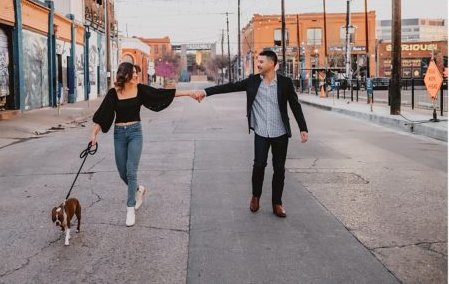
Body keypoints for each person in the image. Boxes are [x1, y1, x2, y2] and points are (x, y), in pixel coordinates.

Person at [189, 50, 309, 218]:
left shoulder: (285, 82)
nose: (258, 64)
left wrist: (303, 128)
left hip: (280, 132)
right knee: (259, 165)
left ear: (272, 64)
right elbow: (229, 87)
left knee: (279, 169)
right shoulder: (253, 81)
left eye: (261, 61)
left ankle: (277, 203)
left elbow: (295, 105)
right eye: (257, 61)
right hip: (261, 131)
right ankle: (255, 196)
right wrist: (206, 92)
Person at [90, 62, 199, 227]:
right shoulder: (114, 93)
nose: (136, 75)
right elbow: (103, 114)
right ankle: (138, 189)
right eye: (133, 73)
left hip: (135, 133)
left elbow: (161, 94)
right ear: (125, 74)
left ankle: (130, 208)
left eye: (136, 73)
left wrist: (189, 93)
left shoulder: (140, 89)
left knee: (131, 171)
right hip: (119, 135)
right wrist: (94, 135)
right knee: (122, 172)